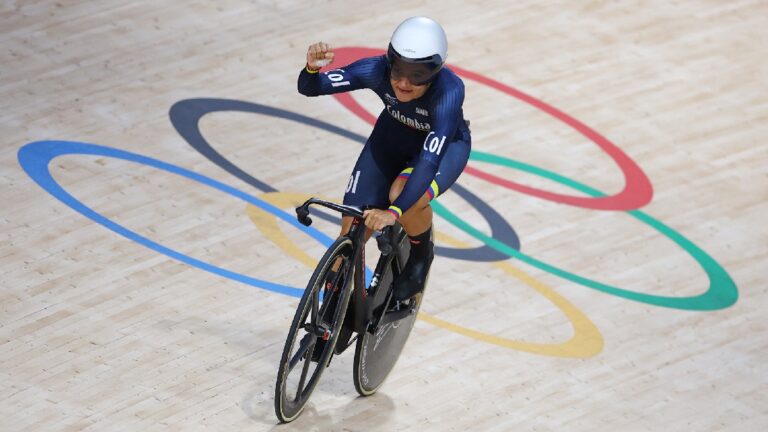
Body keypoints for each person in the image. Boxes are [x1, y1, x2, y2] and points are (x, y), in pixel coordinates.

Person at [298, 16, 471, 302]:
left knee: (402, 195)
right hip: (390, 139)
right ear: (389, 60)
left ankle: (420, 255)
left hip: (443, 148)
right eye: (399, 69)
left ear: (436, 71)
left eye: (418, 75)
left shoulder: (449, 92)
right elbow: (310, 87)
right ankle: (327, 324)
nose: (404, 82)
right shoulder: (375, 69)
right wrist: (312, 69)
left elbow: (429, 160)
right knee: (349, 235)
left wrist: (393, 212)